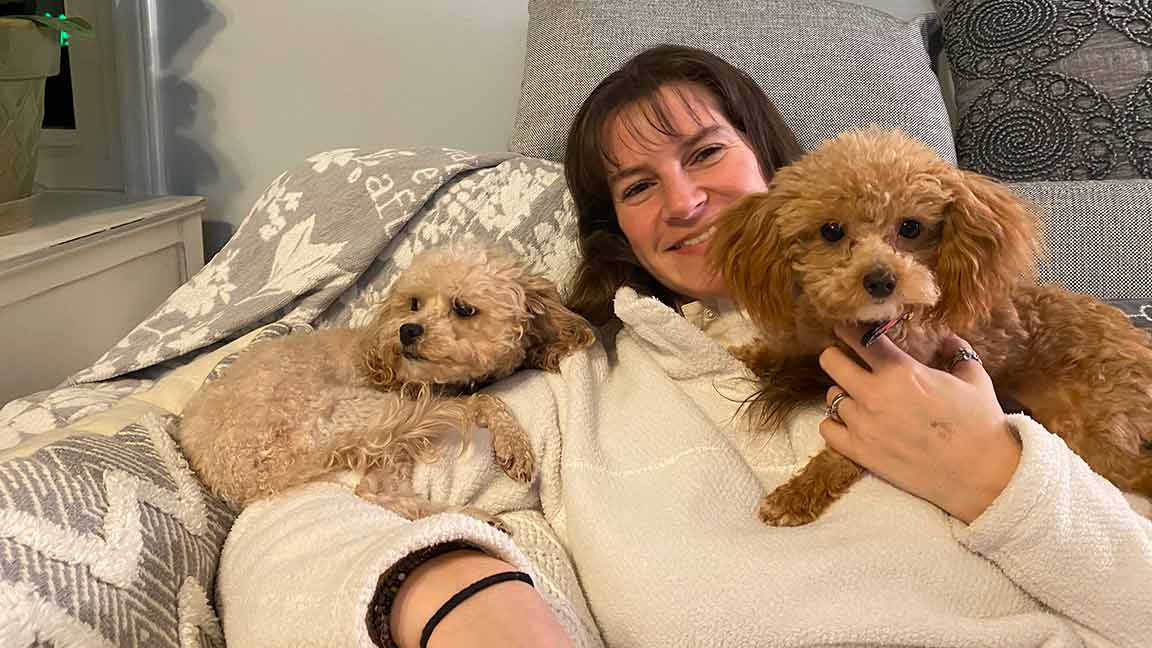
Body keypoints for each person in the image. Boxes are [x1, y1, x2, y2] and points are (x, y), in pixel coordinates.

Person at [216, 45, 1152, 648]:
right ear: (615, 228)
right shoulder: (577, 385)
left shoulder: (966, 330)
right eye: (635, 186)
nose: (682, 202)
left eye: (705, 154)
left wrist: (996, 476)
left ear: (776, 164)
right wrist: (447, 588)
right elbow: (294, 520)